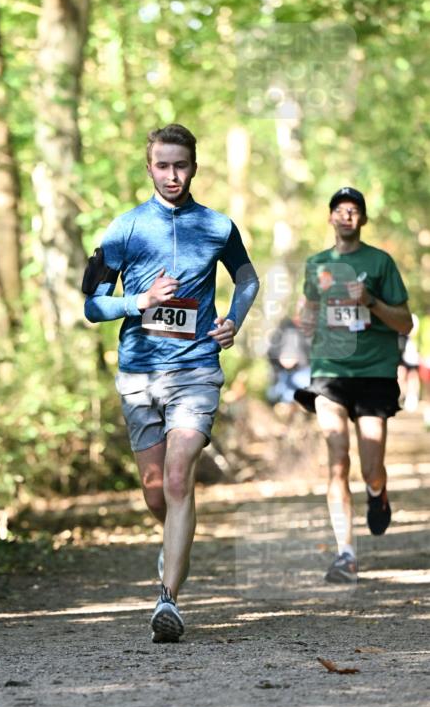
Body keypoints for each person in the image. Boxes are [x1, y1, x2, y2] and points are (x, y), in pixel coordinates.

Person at [84, 124, 259, 642]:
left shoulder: (218, 226)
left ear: (194, 167)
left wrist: (233, 320)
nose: (172, 175)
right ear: (149, 168)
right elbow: (92, 305)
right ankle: (174, 542)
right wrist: (140, 301)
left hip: (196, 368)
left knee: (180, 476)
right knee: (157, 493)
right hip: (139, 372)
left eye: (180, 165)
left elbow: (247, 279)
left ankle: (169, 599)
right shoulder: (125, 229)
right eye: (162, 165)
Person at [294, 186, 413, 583]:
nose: (346, 216)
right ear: (330, 217)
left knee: (371, 467)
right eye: (340, 210)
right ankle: (346, 554)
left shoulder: (380, 262)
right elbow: (308, 311)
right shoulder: (317, 264)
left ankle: (377, 492)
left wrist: (371, 302)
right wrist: (304, 322)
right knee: (338, 458)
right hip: (330, 371)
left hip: (375, 372)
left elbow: (405, 323)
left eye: (354, 210)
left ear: (362, 219)